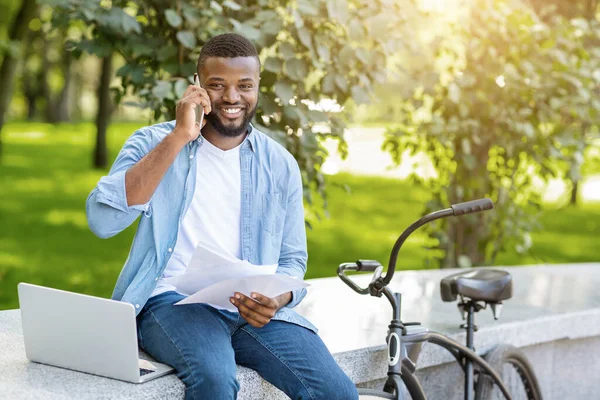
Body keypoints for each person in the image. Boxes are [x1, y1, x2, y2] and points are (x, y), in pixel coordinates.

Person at [86, 33, 358, 400]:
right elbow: (103, 221)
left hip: (251, 309)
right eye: (217, 85)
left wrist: (278, 299)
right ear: (197, 87)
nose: (232, 97)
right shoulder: (152, 142)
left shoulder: (280, 164)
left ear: (258, 87)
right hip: (172, 302)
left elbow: (293, 260)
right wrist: (180, 136)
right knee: (215, 381)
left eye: (244, 85)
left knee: (337, 392)